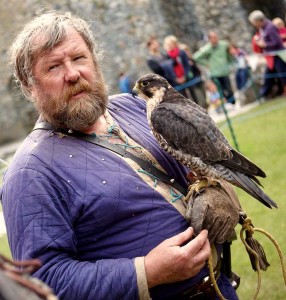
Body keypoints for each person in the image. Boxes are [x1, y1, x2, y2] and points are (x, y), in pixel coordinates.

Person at [1, 11, 239, 300]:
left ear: (95, 61)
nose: (73, 73)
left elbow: (198, 166)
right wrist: (147, 271)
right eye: (53, 67)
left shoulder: (134, 107)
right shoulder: (30, 173)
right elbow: (44, 280)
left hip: (220, 288)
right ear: (29, 86)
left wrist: (217, 192)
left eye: (78, 58)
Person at [249, 10, 286, 95]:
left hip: (278, 55)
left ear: (258, 20)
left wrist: (265, 45)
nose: (254, 24)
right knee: (269, 76)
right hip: (270, 56)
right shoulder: (262, 28)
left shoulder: (270, 27)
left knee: (282, 74)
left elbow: (277, 42)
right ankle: (263, 94)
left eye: (254, 22)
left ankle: (264, 94)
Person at [193, 31, 236, 105]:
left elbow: (229, 54)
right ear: (209, 39)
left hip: (224, 71)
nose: (215, 39)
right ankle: (226, 106)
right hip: (215, 73)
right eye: (213, 38)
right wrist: (206, 63)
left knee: (229, 89)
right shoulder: (207, 48)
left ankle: (233, 103)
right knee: (220, 91)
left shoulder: (223, 44)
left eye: (216, 37)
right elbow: (196, 57)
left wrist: (231, 60)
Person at [179, 43, 208, 110]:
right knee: (200, 99)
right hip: (192, 84)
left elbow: (198, 70)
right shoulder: (183, 64)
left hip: (199, 80)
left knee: (204, 97)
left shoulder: (192, 59)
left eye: (186, 50)